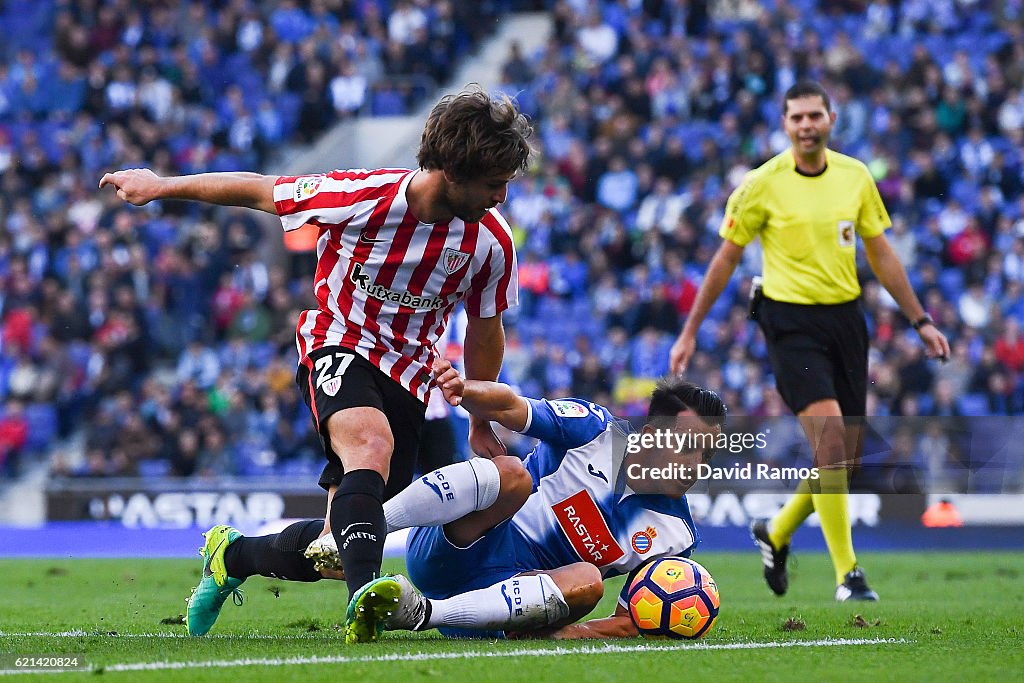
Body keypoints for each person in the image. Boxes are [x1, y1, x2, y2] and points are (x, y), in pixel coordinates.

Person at [99, 85, 534, 639]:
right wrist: (162, 186)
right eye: (494, 184)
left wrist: (480, 416)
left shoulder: (492, 242)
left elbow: (484, 326)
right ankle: (365, 606)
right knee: (369, 447)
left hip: (409, 375)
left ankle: (232, 557)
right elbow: (260, 190)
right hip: (339, 343)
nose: (501, 198)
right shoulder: (361, 196)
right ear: (454, 170)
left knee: (337, 545)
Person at [668, 81, 950, 602]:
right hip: (789, 323)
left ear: (831, 119)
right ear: (785, 123)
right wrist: (689, 332)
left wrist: (921, 320)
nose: (806, 125)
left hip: (846, 321)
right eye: (796, 117)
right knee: (833, 443)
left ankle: (775, 532)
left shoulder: (855, 177)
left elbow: (882, 254)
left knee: (843, 457)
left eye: (814, 116)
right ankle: (849, 575)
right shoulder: (760, 185)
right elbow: (725, 260)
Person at [340, 359, 727, 640]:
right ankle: (371, 524)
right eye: (687, 446)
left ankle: (424, 613)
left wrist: (570, 634)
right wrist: (465, 389)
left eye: (706, 455)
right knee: (514, 474)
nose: (695, 465)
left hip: (496, 608)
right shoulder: (595, 430)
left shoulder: (677, 535)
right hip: (453, 546)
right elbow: (511, 406)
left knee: (589, 581)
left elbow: (630, 619)